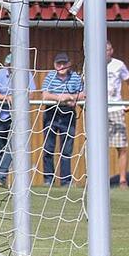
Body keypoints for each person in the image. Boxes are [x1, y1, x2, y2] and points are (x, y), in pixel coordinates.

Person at [0, 53, 38, 187]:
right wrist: (8, 98)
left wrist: (18, 98)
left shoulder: (26, 74)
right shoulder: (1, 73)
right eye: (9, 65)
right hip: (2, 115)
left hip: (18, 117)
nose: (10, 68)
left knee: (11, 146)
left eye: (13, 65)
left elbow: (31, 93)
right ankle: (0, 178)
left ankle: (1, 175)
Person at [40, 52, 85, 186]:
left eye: (64, 63)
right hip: (51, 113)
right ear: (55, 65)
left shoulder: (75, 77)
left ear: (68, 64)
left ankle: (66, 180)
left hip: (68, 114)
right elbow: (45, 95)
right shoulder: (50, 76)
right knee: (48, 147)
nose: (61, 66)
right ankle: (48, 179)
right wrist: (60, 98)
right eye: (59, 63)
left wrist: (70, 97)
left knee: (66, 150)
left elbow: (82, 94)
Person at [105, 41, 129, 188]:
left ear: (112, 50)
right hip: (97, 110)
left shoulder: (119, 64)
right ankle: (97, 179)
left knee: (121, 145)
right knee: (96, 146)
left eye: (108, 49)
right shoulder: (90, 64)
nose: (106, 52)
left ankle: (123, 179)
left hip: (116, 108)